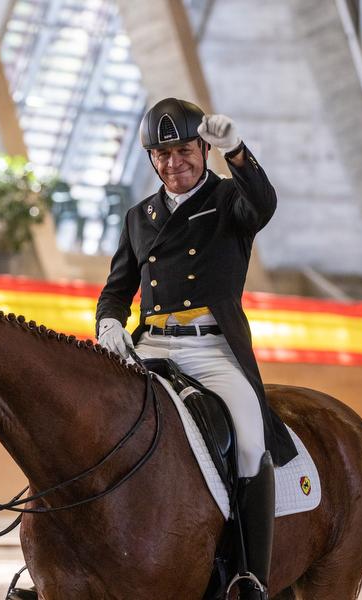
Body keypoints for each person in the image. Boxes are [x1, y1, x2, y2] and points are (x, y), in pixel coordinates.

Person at [95, 98, 296, 600]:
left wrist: (239, 153)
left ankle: (251, 576)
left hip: (213, 350)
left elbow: (265, 204)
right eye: (161, 155)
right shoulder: (139, 216)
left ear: (203, 148)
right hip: (151, 345)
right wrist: (108, 324)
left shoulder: (230, 200)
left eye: (183, 150)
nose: (172, 163)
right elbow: (117, 288)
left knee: (250, 443)